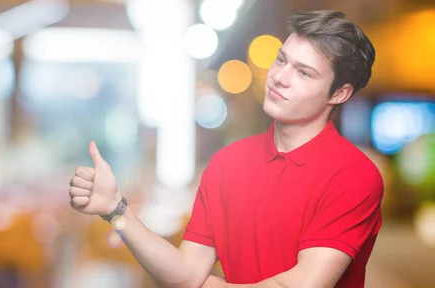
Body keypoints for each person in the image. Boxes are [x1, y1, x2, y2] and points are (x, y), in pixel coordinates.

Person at [69, 10, 382, 288]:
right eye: (281, 59)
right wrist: (116, 210)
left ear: (339, 93)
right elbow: (186, 273)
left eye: (304, 72)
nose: (279, 78)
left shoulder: (354, 176)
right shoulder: (227, 163)